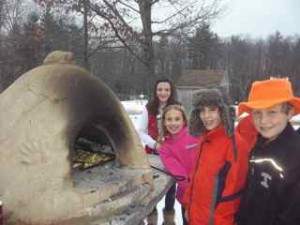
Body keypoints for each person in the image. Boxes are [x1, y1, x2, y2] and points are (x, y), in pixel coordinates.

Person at [236, 78, 300, 225]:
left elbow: (293, 214)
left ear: (289, 112)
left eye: (272, 112)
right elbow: (251, 191)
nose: (263, 121)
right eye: (257, 113)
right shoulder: (259, 145)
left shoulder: (295, 155)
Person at [182, 88, 250, 225]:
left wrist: (221, 221)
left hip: (216, 220)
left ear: (222, 111)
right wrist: (188, 205)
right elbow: (195, 177)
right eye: (202, 110)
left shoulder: (235, 143)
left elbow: (235, 191)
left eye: (212, 110)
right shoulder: (204, 138)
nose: (206, 116)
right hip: (196, 215)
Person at [138, 78, 179, 225]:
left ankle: (169, 221)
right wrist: (154, 144)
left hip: (172, 155)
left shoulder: (177, 107)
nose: (163, 92)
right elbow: (140, 132)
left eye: (166, 89)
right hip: (152, 155)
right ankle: (152, 220)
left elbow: (183, 129)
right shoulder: (148, 109)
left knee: (170, 190)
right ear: (156, 91)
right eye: (160, 89)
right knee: (152, 188)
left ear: (171, 91)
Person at [159, 105, 199, 225]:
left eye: (177, 119)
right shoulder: (165, 148)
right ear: (164, 122)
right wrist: (191, 203)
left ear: (184, 121)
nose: (173, 123)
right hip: (188, 197)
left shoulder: (195, 135)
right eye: (169, 119)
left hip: (209, 192)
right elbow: (181, 176)